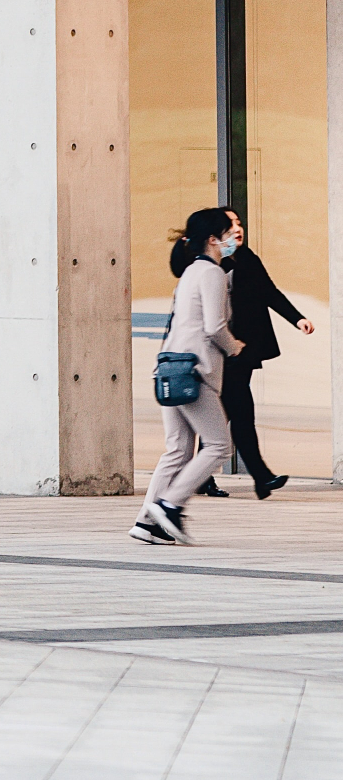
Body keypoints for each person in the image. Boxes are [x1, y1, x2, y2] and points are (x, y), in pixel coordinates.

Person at [134, 204, 240, 543]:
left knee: (178, 450)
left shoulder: (190, 273)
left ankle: (146, 521)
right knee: (219, 446)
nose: (232, 240)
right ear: (213, 239)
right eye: (228, 234)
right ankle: (170, 505)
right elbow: (214, 325)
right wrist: (233, 345)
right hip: (195, 370)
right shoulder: (211, 273)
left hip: (170, 367)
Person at [214, 210, 315, 499]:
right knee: (238, 411)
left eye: (239, 224)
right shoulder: (209, 265)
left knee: (224, 412)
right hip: (220, 350)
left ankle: (208, 476)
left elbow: (269, 292)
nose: (237, 230)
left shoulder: (247, 259)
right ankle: (260, 476)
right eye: (230, 225)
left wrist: (297, 319)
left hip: (241, 349)